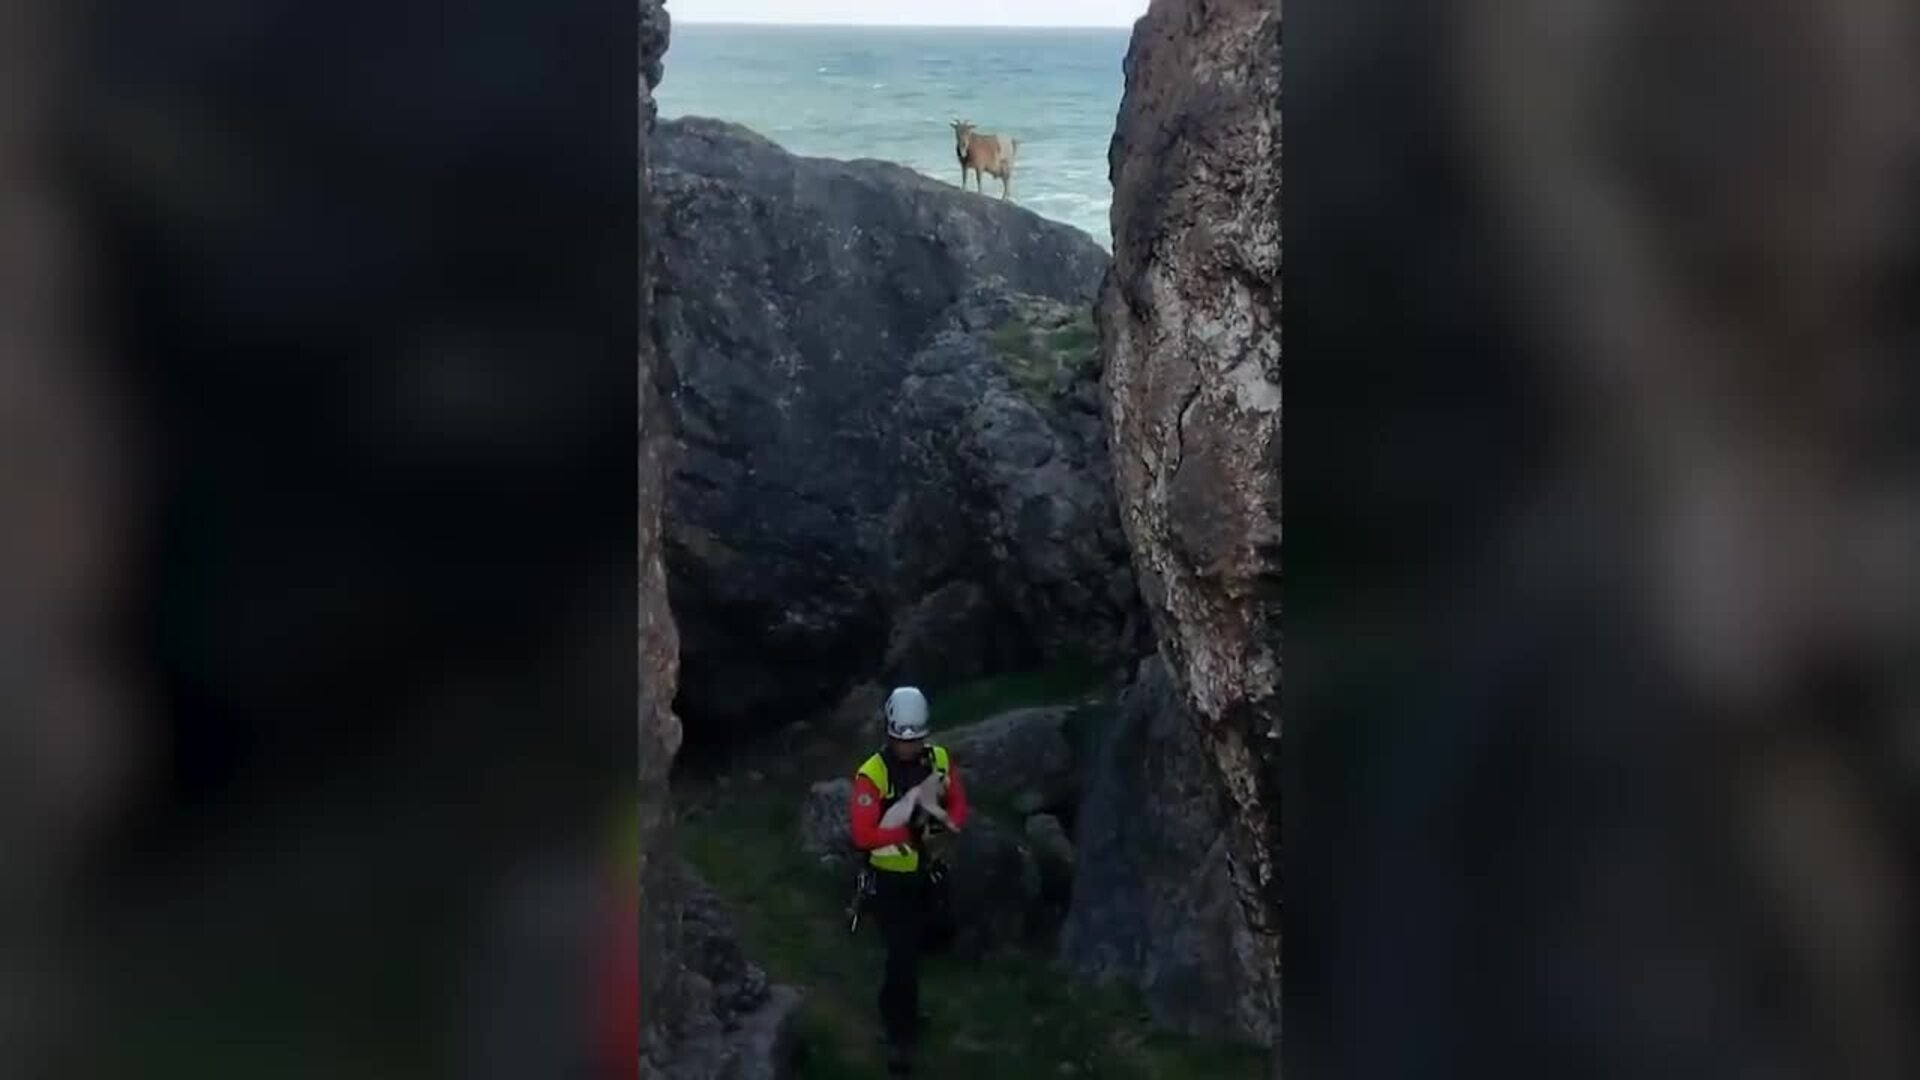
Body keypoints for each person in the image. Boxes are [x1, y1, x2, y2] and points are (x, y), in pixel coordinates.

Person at [847, 685, 970, 1074]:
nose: (908, 748)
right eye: (902, 740)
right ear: (889, 733)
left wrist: (944, 827)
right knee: (902, 958)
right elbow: (863, 834)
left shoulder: (938, 760)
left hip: (927, 874)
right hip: (889, 882)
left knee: (930, 942)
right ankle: (900, 1037)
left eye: (915, 740)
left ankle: (900, 1007)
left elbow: (959, 803)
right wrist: (911, 831)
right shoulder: (873, 775)